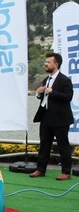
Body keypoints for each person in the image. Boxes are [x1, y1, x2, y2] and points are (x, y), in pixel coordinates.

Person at [30, 52, 75, 180]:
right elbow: (45, 98)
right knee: (44, 144)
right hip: (46, 117)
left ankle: (66, 172)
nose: (46, 64)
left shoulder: (64, 80)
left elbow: (68, 97)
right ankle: (40, 169)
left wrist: (53, 92)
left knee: (63, 146)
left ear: (56, 64)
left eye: (48, 62)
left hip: (60, 119)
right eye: (46, 62)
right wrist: (39, 93)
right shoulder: (46, 80)